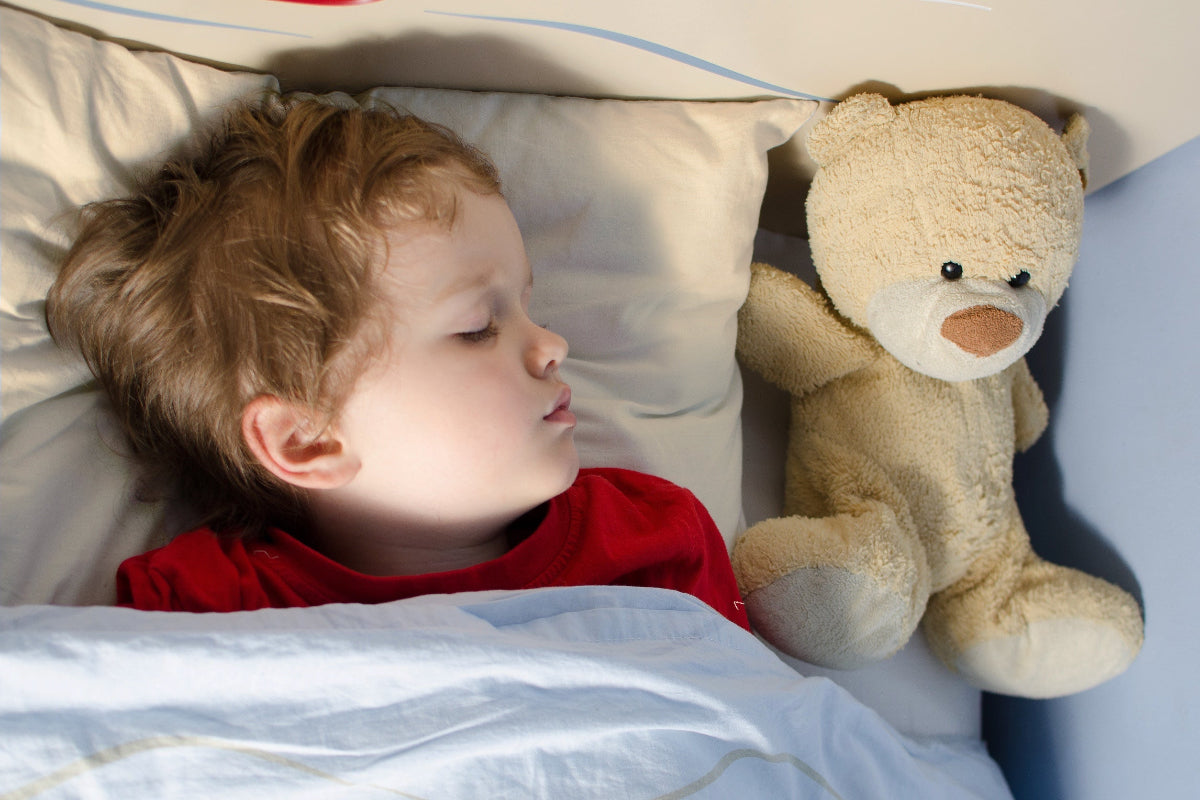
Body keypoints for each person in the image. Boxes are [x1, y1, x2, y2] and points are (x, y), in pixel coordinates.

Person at [45, 97, 749, 629]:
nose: (551, 345)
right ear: (307, 438)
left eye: (528, 304)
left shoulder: (651, 541)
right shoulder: (203, 609)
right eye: (478, 327)